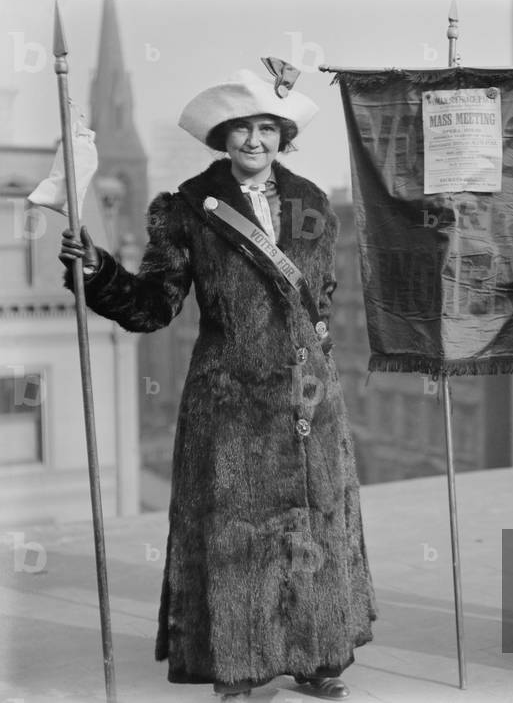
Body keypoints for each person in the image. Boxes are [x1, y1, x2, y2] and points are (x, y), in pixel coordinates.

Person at [58, 63, 375, 701]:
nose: (253, 140)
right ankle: (238, 664)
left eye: (266, 128)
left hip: (309, 395)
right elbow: (153, 305)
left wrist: (315, 358)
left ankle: (316, 656)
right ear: (221, 135)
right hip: (229, 398)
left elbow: (323, 295)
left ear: (282, 134)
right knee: (236, 532)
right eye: (240, 128)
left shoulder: (313, 201)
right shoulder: (186, 210)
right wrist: (96, 270)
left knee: (315, 523)